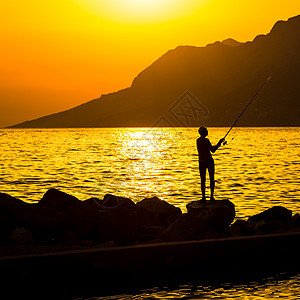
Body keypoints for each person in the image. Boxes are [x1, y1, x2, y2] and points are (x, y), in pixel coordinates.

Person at [196, 127, 224, 202]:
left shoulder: (198, 141)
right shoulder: (206, 141)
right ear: (204, 132)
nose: (207, 132)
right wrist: (219, 143)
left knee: (203, 179)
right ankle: (211, 197)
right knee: (211, 179)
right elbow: (213, 150)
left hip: (201, 161)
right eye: (206, 131)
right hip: (209, 161)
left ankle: (204, 197)